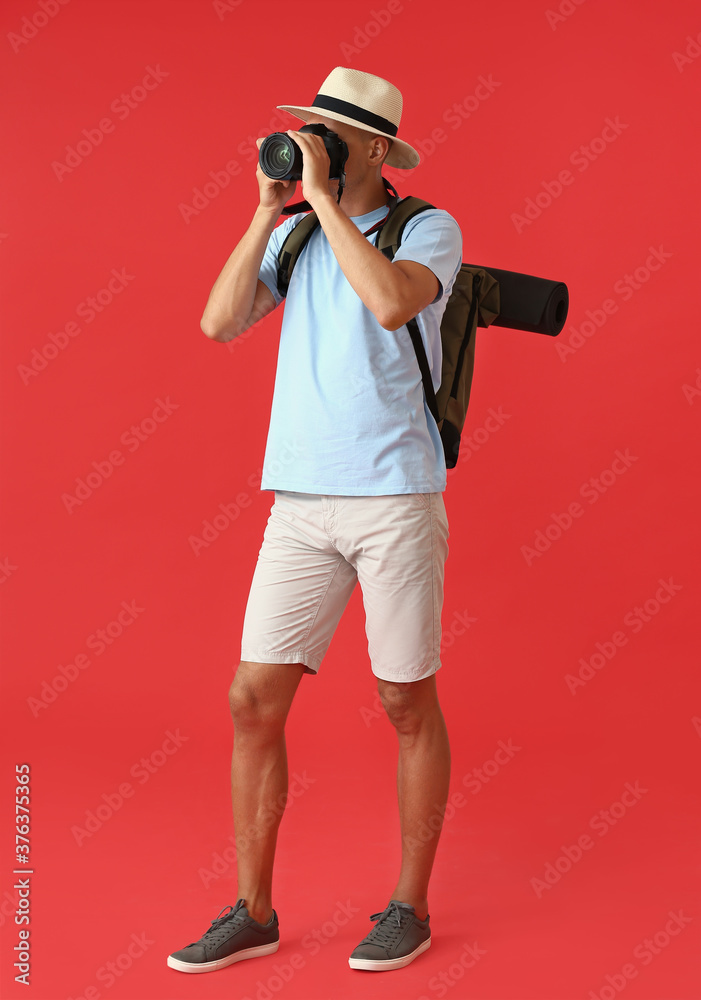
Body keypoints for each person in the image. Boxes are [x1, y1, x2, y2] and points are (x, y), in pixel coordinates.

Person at [167, 66, 463, 976]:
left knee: (403, 702)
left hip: (393, 499)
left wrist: (324, 202)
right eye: (309, 131)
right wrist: (267, 210)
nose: (313, 145)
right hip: (298, 502)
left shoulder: (428, 230)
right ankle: (254, 909)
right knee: (251, 701)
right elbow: (218, 323)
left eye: (331, 135)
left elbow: (387, 301)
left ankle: (408, 906)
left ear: (374, 149)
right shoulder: (291, 235)